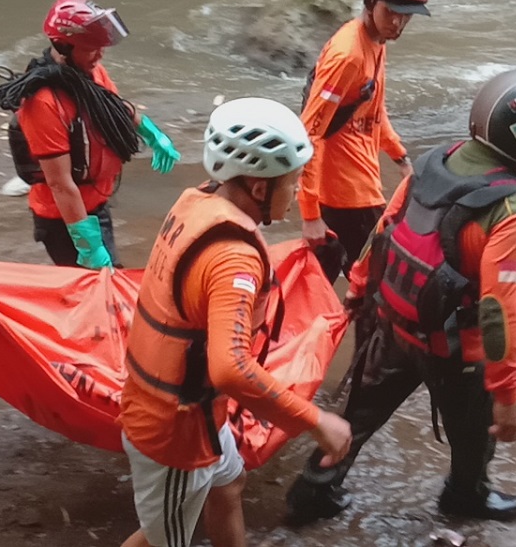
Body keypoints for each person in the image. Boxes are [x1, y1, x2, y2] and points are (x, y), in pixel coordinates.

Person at [285, 69, 516, 525]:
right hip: (454, 349)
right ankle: (466, 495)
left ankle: (312, 490)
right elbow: (498, 312)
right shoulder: (512, 209)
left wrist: (358, 290)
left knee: (357, 416)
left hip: (394, 324)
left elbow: (383, 229)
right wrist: (508, 395)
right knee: (477, 433)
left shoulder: (433, 161)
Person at [119, 98, 353, 547]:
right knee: (161, 540)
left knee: (228, 484)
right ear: (259, 187)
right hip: (175, 431)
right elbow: (229, 368)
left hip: (200, 413)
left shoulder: (200, 201)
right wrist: (315, 420)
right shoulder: (233, 259)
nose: (299, 191)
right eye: (293, 180)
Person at [0, 0, 180, 270]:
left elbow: (116, 109)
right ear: (63, 45)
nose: (100, 54)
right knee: (96, 292)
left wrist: (152, 133)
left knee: (110, 282)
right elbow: (60, 183)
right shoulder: (44, 103)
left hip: (96, 204)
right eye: (91, 48)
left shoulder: (92, 73)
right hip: (65, 221)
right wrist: (88, 245)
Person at [299, 0, 429, 283]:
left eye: (406, 16)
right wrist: (310, 213)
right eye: (391, 12)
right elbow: (310, 131)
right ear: (370, 1)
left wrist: (399, 155)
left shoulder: (376, 41)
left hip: (357, 189)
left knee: (323, 288)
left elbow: (372, 109)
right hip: (347, 197)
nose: (398, 23)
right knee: (379, 289)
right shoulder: (349, 56)